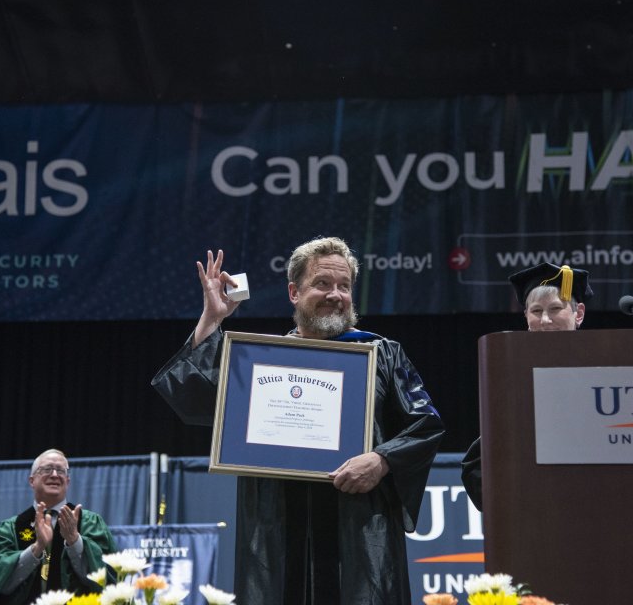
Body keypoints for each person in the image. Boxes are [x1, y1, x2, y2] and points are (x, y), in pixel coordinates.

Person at [151, 236, 445, 605]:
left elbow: (425, 424)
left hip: (357, 528)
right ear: (294, 291)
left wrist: (382, 459)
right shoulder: (262, 361)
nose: (335, 294)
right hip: (277, 528)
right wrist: (212, 318)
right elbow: (195, 396)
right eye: (322, 284)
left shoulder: (381, 354)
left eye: (344, 286)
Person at [461, 262, 592, 511]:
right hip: (534, 511)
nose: (544, 319)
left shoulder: (605, 366)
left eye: (555, 308)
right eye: (536, 310)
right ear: (526, 317)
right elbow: (477, 466)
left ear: (579, 313)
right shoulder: (512, 376)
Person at [0, 449, 116, 604]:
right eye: (47, 469)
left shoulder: (89, 523)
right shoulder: (8, 530)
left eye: (61, 470)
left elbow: (109, 579)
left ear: (68, 481)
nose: (55, 475)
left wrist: (75, 542)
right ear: (32, 480)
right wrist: (36, 549)